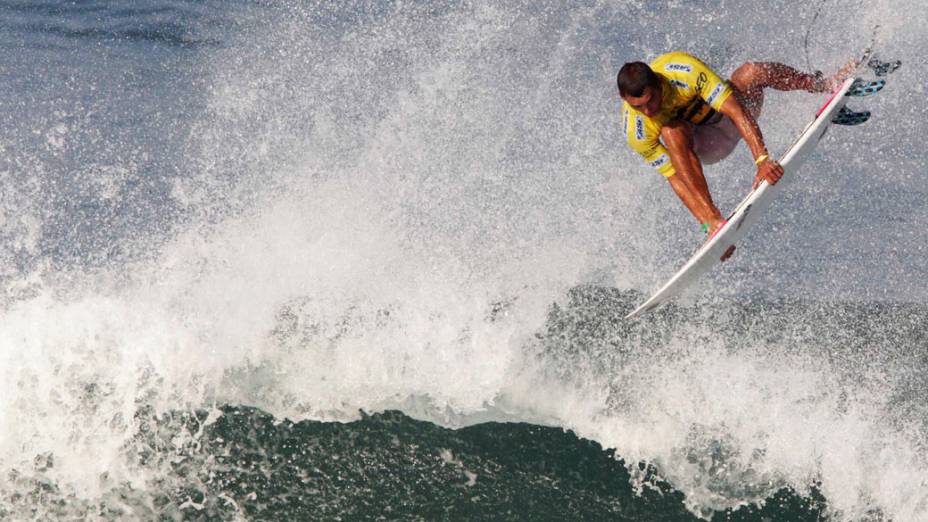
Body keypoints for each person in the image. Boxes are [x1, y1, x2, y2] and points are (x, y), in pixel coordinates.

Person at [617, 51, 851, 240]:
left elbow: (736, 111)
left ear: (658, 82)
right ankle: (715, 220)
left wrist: (762, 160)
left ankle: (823, 84)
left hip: (737, 118)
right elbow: (674, 177)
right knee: (671, 131)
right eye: (638, 107)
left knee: (751, 72)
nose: (648, 111)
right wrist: (709, 224)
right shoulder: (636, 128)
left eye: (651, 101)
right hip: (709, 144)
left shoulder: (682, 70)